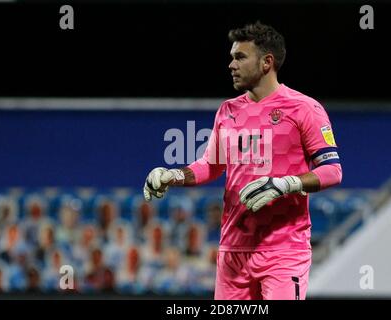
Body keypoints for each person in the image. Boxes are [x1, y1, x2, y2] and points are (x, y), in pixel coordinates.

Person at [143, 21, 342, 300]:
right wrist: (172, 175)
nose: (231, 65)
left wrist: (287, 184)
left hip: (283, 252)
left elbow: (332, 170)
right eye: (231, 57)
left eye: (240, 57)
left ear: (266, 62)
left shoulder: (305, 108)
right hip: (233, 252)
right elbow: (210, 165)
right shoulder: (228, 111)